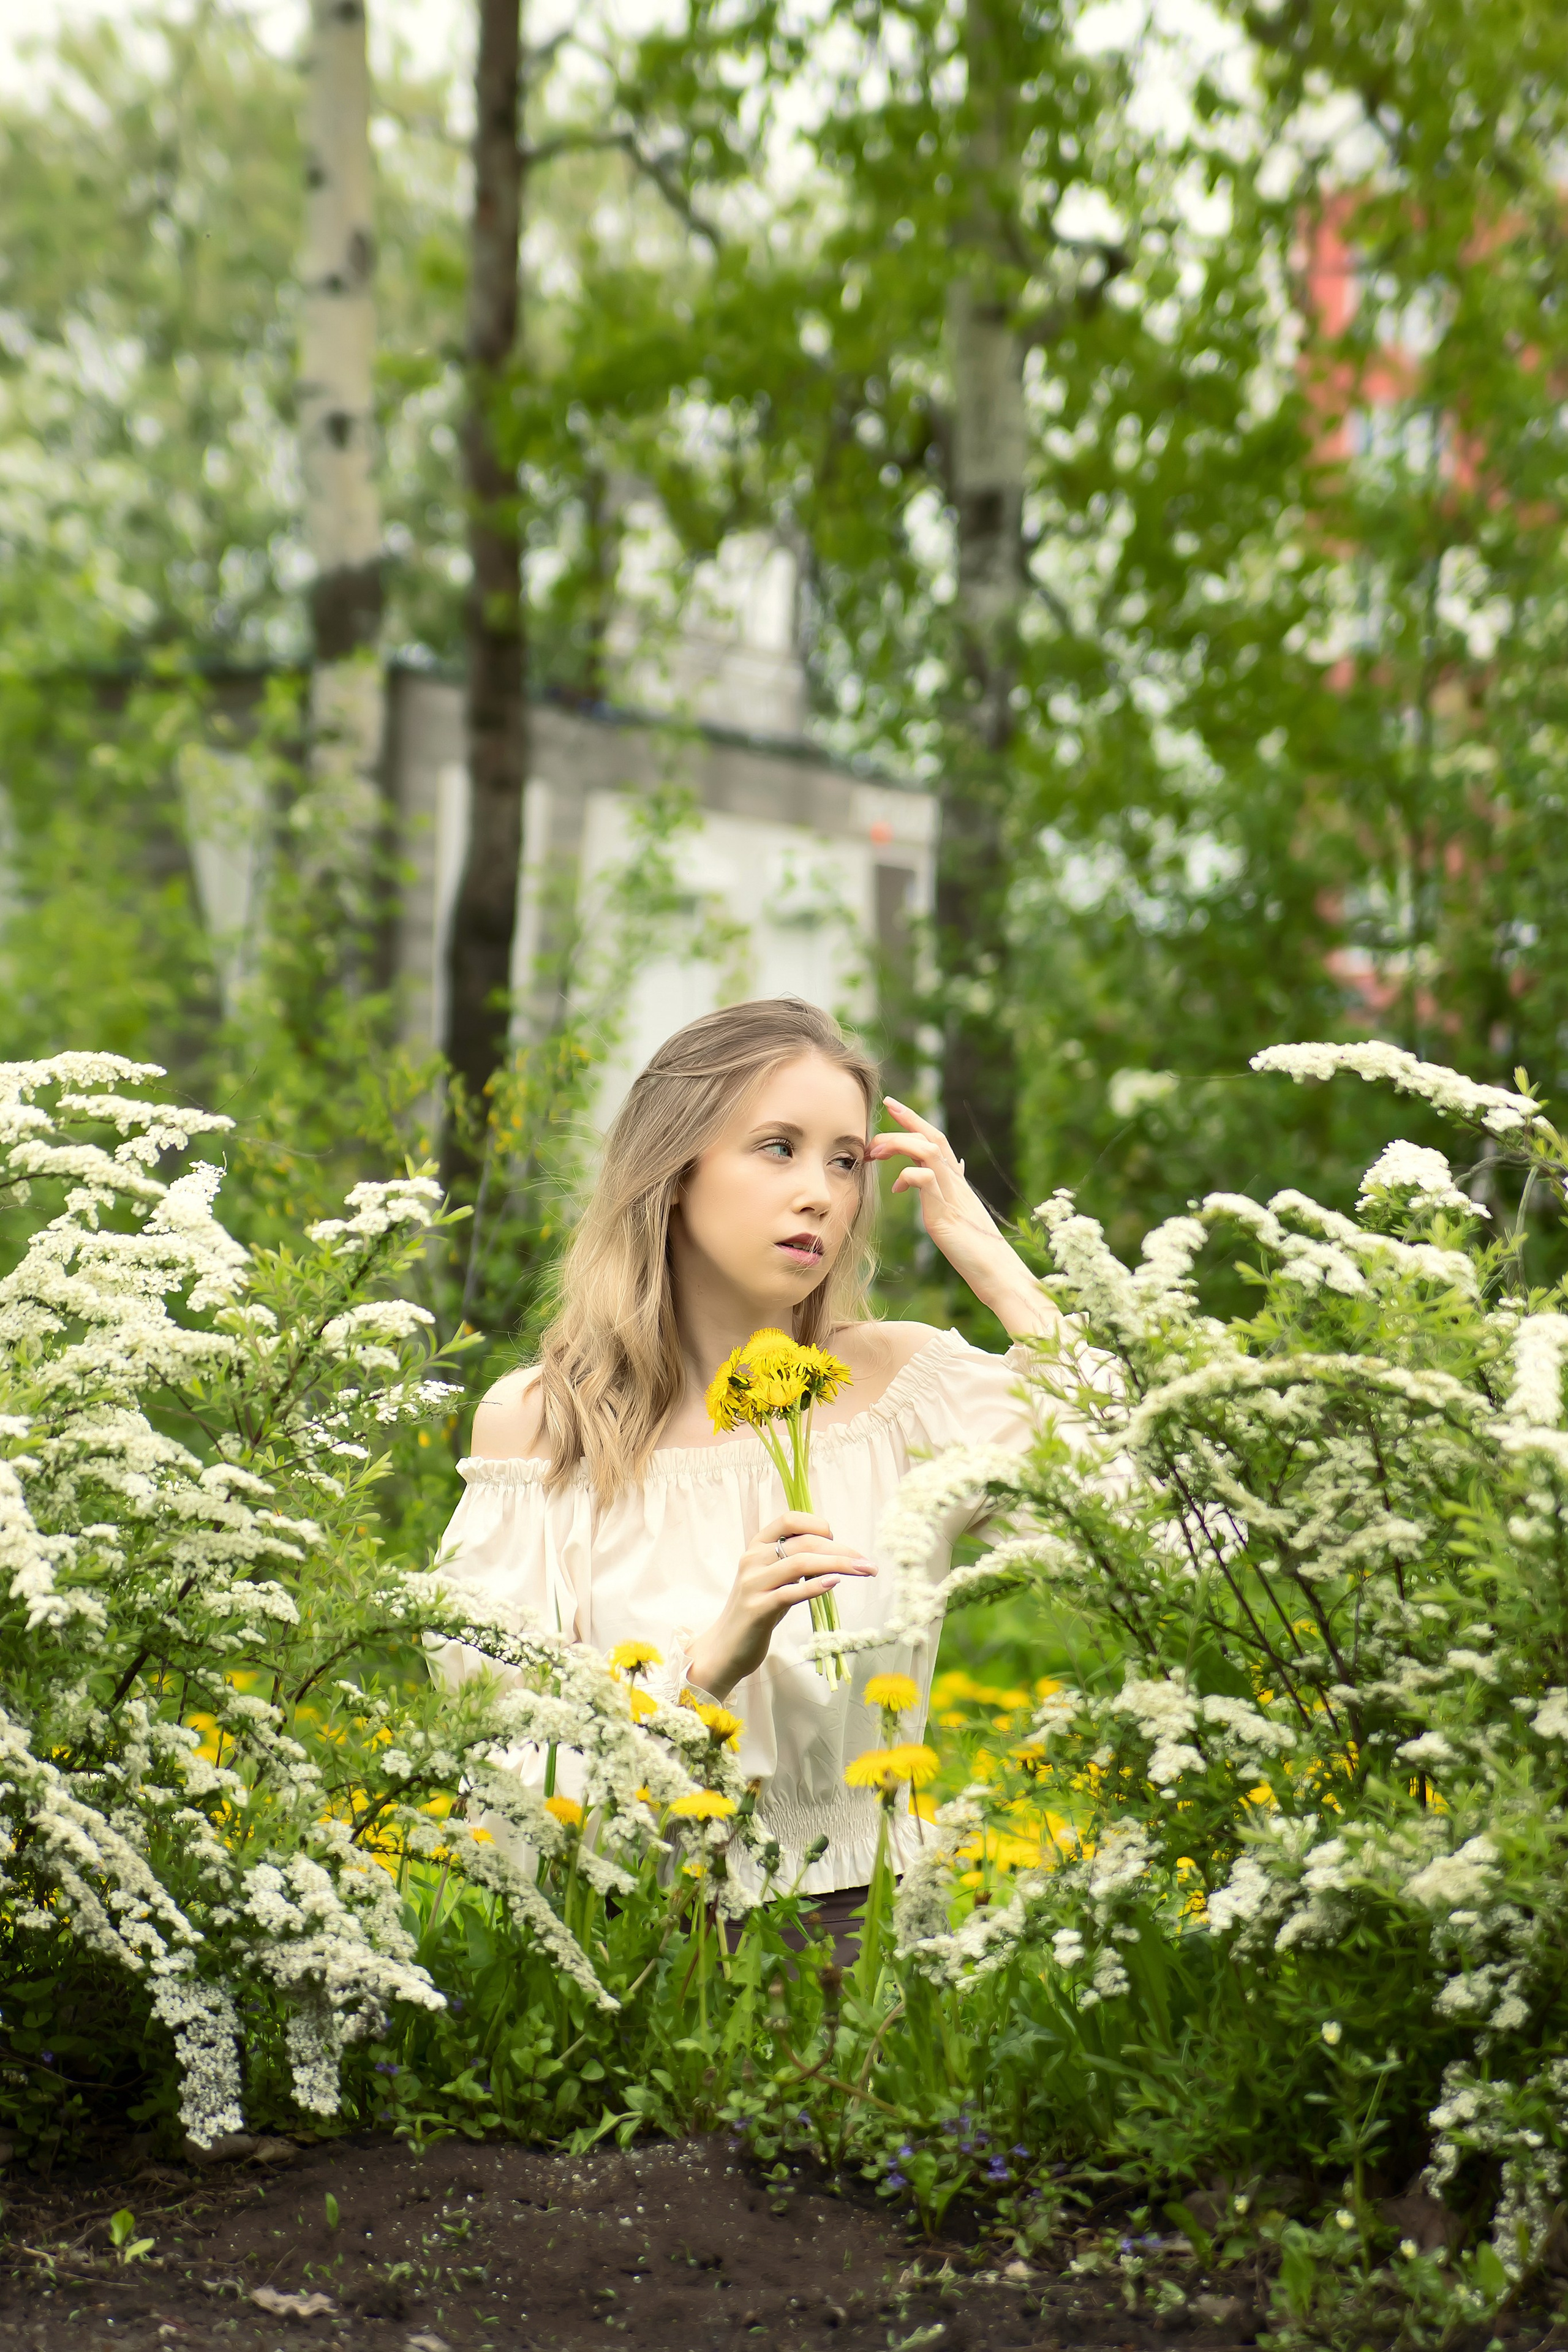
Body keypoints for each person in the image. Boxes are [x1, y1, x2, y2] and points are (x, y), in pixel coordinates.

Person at [432, 996, 1070, 1948]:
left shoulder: (902, 1392)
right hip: (625, 1958)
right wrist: (705, 1675)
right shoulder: (544, 1426)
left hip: (873, 1943)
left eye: (846, 1160)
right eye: (778, 1147)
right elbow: (505, 1773)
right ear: (675, 1169)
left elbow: (1164, 1528)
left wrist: (994, 1265)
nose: (821, 1192)